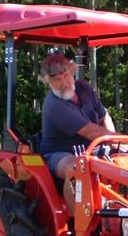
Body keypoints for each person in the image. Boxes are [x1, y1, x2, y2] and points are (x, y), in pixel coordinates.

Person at [38, 52, 119, 181]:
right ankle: (77, 201)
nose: (64, 82)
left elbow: (105, 117)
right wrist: (125, 140)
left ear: (71, 72)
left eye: (65, 76)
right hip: (61, 153)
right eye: (57, 79)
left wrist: (116, 142)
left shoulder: (84, 88)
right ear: (48, 82)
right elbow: (91, 131)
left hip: (90, 148)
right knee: (78, 169)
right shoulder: (55, 106)